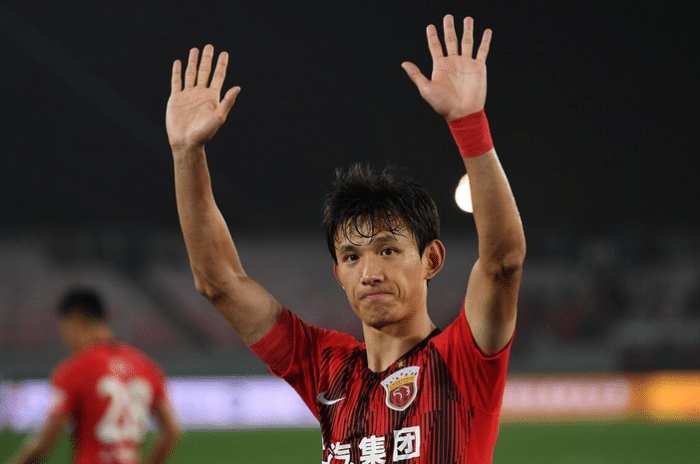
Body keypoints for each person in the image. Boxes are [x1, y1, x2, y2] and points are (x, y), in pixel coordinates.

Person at [166, 14, 524, 463]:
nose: (370, 272)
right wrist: (187, 154)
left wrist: (469, 124)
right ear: (337, 273)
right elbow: (219, 283)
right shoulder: (325, 368)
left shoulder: (463, 360)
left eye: (388, 250)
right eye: (352, 256)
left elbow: (502, 262)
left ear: (431, 259)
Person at [5, 288, 181, 464]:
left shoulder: (74, 369)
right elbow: (172, 430)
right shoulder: (146, 367)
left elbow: (45, 441)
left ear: (74, 324)